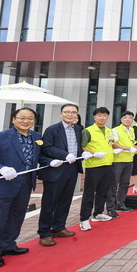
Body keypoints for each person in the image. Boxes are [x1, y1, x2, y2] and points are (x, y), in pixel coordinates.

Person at [0, 108, 47, 268]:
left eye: (30, 118)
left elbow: (38, 157)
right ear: (13, 119)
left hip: (25, 185)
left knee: (17, 217)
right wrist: (1, 168)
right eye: (22, 118)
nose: (26, 121)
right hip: (3, 185)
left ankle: (9, 245)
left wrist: (51, 161)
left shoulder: (36, 137)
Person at [37, 103, 84, 247]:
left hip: (71, 168)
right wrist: (65, 155)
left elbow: (78, 147)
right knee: (49, 202)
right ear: (61, 113)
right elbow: (47, 147)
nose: (70, 114)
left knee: (65, 200)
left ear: (77, 115)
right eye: (67, 112)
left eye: (73, 112)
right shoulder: (52, 129)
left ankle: (59, 227)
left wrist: (84, 154)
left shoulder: (78, 129)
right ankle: (44, 233)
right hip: (55, 169)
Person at [79, 107, 115, 231]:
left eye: (105, 115)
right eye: (99, 115)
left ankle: (98, 213)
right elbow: (82, 147)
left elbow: (110, 144)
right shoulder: (88, 131)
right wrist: (93, 153)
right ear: (94, 117)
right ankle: (84, 219)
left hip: (108, 164)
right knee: (89, 193)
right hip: (94, 166)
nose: (102, 118)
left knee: (103, 191)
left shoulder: (109, 131)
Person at [106, 111, 137, 218]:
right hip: (118, 161)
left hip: (129, 160)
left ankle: (121, 204)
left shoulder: (132, 130)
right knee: (113, 184)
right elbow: (114, 144)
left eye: (130, 118)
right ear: (121, 119)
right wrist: (129, 148)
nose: (128, 119)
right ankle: (110, 208)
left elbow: (132, 142)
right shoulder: (115, 130)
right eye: (125, 118)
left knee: (125, 183)